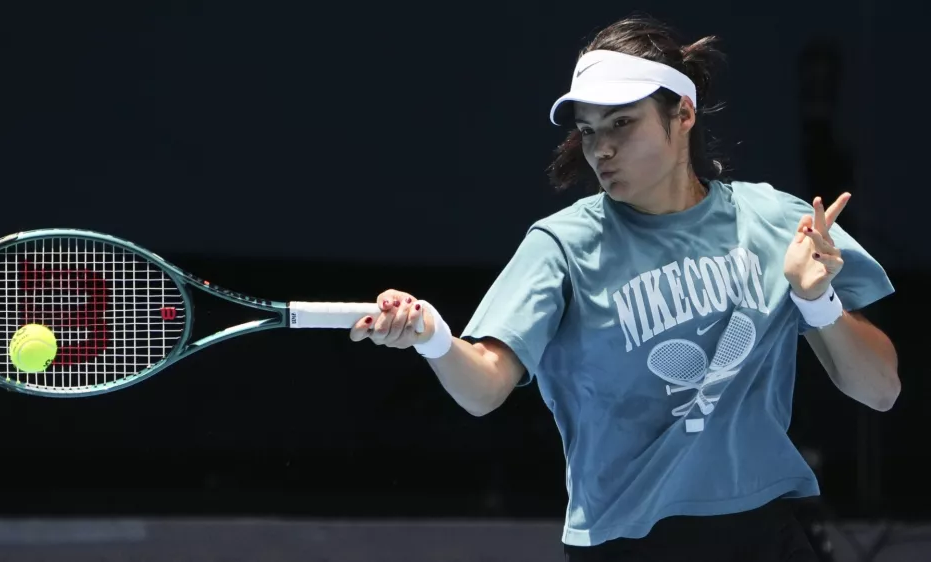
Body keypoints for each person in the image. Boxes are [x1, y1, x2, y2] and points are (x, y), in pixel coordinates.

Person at [348, 15, 900, 562]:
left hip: (764, 530)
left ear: (682, 114)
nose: (600, 150)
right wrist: (434, 339)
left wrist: (817, 302)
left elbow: (881, 390)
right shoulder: (563, 245)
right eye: (589, 130)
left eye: (621, 124)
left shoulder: (777, 221)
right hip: (628, 545)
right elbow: (483, 388)